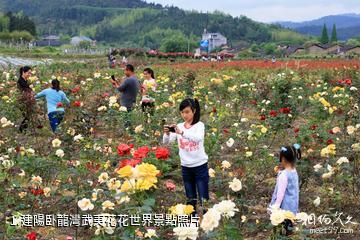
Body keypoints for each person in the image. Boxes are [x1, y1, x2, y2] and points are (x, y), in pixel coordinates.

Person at [163, 98, 209, 214]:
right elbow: (167, 142)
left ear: (194, 111)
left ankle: (207, 224)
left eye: (187, 112)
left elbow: (198, 138)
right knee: (190, 198)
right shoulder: (179, 126)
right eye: (182, 112)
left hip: (200, 166)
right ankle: (191, 224)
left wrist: (182, 133)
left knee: (203, 197)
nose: (184, 115)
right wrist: (167, 134)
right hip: (186, 167)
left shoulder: (199, 125)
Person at [269, 144, 301, 235]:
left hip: (283, 209)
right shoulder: (294, 172)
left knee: (280, 231)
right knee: (288, 230)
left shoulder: (284, 175)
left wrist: (275, 207)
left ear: (283, 158)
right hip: (292, 207)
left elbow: (280, 193)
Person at [17, 66, 36, 133]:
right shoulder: (20, 80)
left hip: (26, 100)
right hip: (22, 101)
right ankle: (21, 130)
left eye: (30, 73)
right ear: (23, 72)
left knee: (28, 116)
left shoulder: (25, 80)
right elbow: (26, 90)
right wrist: (31, 91)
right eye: (28, 73)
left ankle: (23, 130)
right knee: (26, 116)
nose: (29, 75)